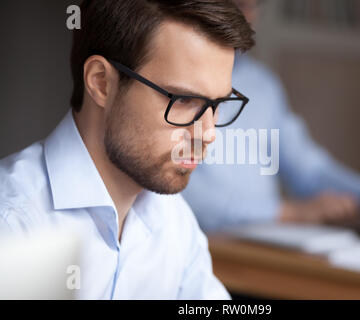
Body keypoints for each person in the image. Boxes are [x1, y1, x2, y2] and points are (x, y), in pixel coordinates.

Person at [0, 0, 255, 299]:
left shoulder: (174, 221)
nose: (208, 134)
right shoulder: (14, 225)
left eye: (218, 105)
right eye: (184, 100)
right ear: (101, 83)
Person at [182, 0, 360, 232]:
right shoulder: (177, 81)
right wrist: (290, 213)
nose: (246, 18)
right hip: (210, 241)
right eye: (237, 5)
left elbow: (309, 171)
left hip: (267, 242)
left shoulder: (263, 84)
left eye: (253, 6)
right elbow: (181, 194)